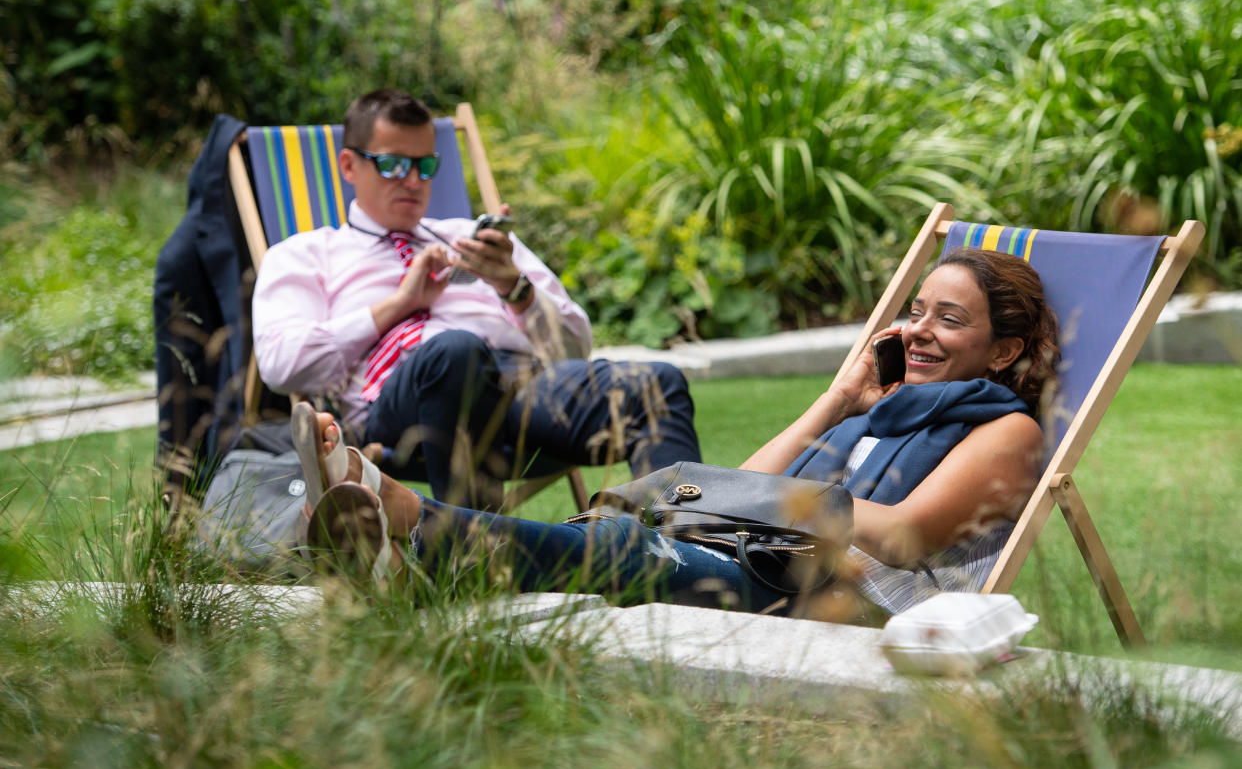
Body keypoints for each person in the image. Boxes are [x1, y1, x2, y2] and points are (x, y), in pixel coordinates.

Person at [292, 247, 1060, 618]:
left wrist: (771, 507)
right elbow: (744, 478)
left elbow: (905, 539)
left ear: (1003, 350)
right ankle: (405, 551)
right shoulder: (884, 407)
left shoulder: (1010, 432)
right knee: (612, 536)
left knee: (625, 548)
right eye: (917, 310)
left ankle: (404, 517)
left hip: (844, 597)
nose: (917, 330)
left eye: (947, 319)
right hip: (774, 559)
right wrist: (835, 401)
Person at [252, 89, 701, 508]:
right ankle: (477, 560)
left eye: (424, 166)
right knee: (455, 352)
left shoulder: (474, 239)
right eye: (393, 165)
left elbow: (573, 350)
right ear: (349, 166)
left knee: (655, 382)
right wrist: (400, 304)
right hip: (402, 404)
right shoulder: (306, 254)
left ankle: (687, 554)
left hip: (519, 392)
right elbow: (280, 364)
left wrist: (514, 287)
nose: (412, 181)